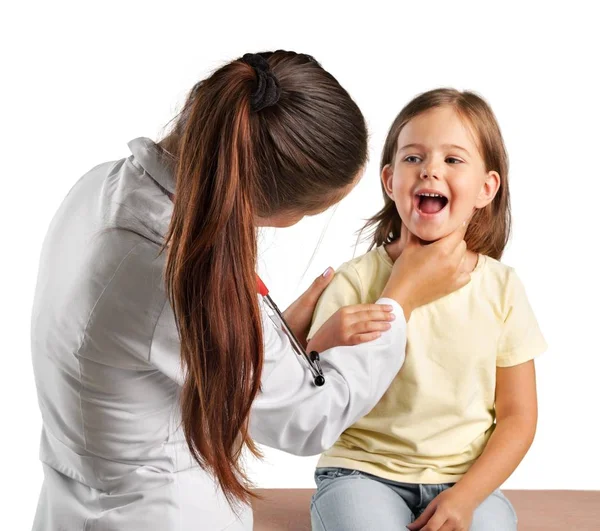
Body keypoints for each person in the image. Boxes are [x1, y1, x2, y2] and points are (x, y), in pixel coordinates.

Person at [30, 53, 470, 531]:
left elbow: (158, 355)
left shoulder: (101, 187)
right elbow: (309, 418)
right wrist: (399, 299)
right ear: (263, 202)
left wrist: (272, 340)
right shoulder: (177, 273)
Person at [308, 89, 547, 531]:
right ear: (389, 180)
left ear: (486, 189)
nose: (431, 169)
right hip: (361, 473)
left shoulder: (502, 288)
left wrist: (466, 497)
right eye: (413, 158)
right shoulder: (356, 281)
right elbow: (310, 388)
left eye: (453, 160)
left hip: (465, 480)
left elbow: (519, 416)